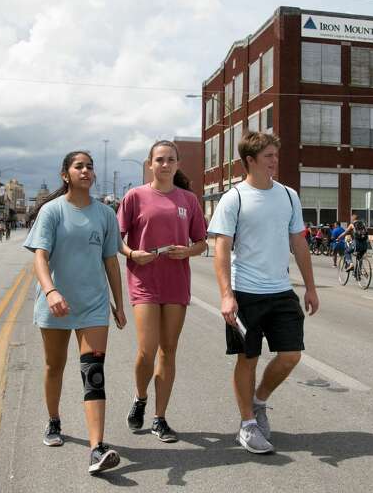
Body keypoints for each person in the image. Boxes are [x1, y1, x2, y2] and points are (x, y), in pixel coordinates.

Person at [207, 132, 319, 455]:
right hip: (246, 293)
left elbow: (299, 243)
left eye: (275, 154)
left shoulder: (288, 196)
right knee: (248, 358)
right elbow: (221, 248)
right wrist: (226, 295)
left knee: (291, 355)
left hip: (281, 291)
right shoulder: (234, 199)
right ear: (250, 161)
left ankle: (258, 401)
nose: (274, 160)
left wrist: (310, 287)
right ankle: (247, 425)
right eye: (268, 155)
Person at [24, 150, 127, 475]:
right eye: (79, 166)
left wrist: (119, 305)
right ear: (65, 174)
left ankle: (97, 448)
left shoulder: (105, 215)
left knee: (93, 372)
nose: (86, 170)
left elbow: (111, 260)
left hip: (93, 305)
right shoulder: (52, 211)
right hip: (55, 304)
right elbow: (40, 257)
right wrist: (51, 291)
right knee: (55, 365)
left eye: (90, 166)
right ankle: (54, 422)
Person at [117, 140, 207, 443]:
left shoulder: (188, 200)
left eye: (170, 159)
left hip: (176, 282)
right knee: (147, 349)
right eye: (159, 159)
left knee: (169, 350)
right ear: (150, 164)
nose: (165, 164)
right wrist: (132, 254)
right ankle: (140, 397)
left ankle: (160, 417)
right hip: (144, 280)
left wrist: (189, 251)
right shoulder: (135, 196)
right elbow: (116, 240)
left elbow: (202, 241)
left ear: (177, 164)